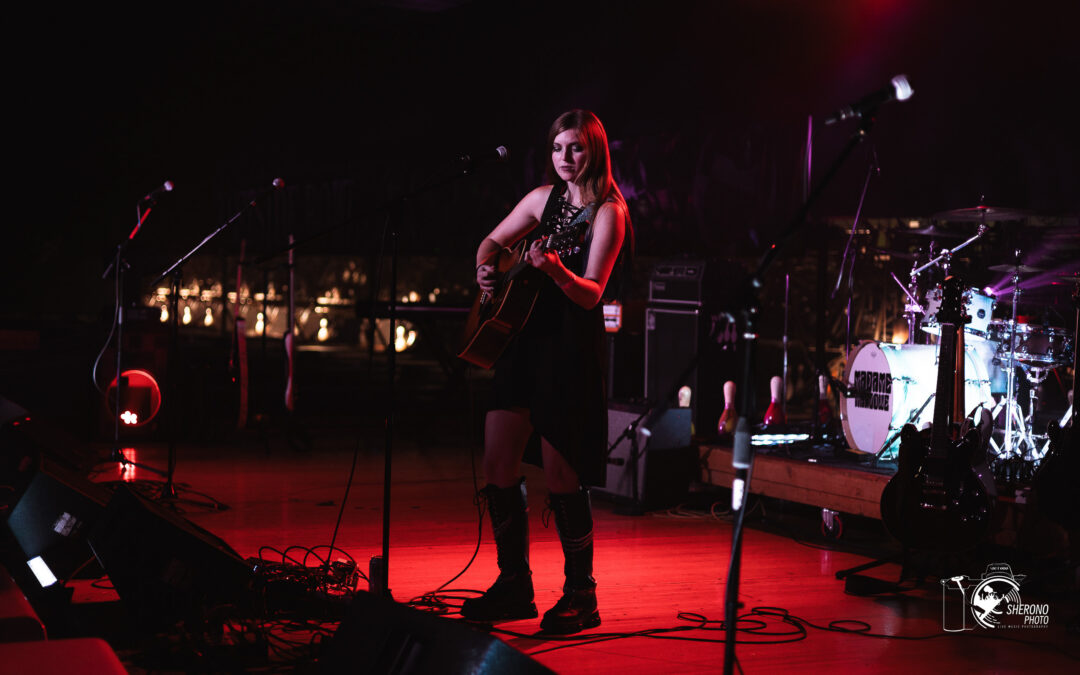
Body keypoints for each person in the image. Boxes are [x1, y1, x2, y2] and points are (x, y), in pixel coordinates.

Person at [460, 109, 631, 635]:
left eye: (575, 148)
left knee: (561, 474)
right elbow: (488, 244)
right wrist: (487, 271)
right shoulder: (540, 199)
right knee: (497, 463)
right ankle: (515, 584)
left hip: (567, 349)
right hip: (521, 342)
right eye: (558, 148)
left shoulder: (608, 213)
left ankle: (582, 595)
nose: (564, 158)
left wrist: (556, 269)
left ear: (594, 150)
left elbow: (592, 293)